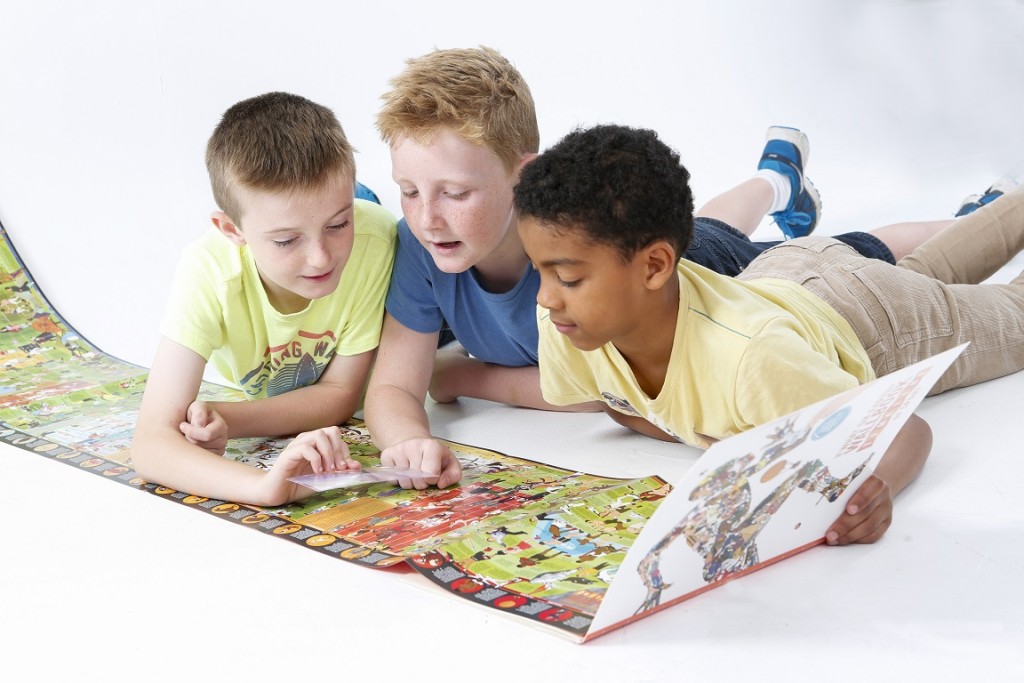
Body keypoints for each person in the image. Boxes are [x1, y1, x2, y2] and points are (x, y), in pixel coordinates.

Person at [363, 45, 966, 488]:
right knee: (717, 222)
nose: (427, 218)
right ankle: (776, 180)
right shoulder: (424, 247)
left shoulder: (577, 254)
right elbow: (393, 385)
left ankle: (970, 218)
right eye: (408, 192)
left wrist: (467, 377)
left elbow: (608, 396)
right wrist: (409, 439)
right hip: (673, 246)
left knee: (844, 250)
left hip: (707, 270)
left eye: (454, 194)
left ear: (524, 174)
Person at [513, 123, 1024, 546]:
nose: (545, 297)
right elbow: (620, 402)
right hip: (779, 275)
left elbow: (906, 429)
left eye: (570, 278)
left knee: (1013, 316)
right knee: (924, 272)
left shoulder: (752, 360)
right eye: (539, 271)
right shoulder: (567, 325)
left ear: (654, 266)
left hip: (872, 320)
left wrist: (873, 488)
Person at [131, 92, 398, 506]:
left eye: (338, 223)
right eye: (286, 240)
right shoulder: (208, 269)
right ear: (231, 229)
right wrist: (262, 486)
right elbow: (151, 441)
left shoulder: (375, 239)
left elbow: (340, 395)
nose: (321, 257)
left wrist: (230, 418)